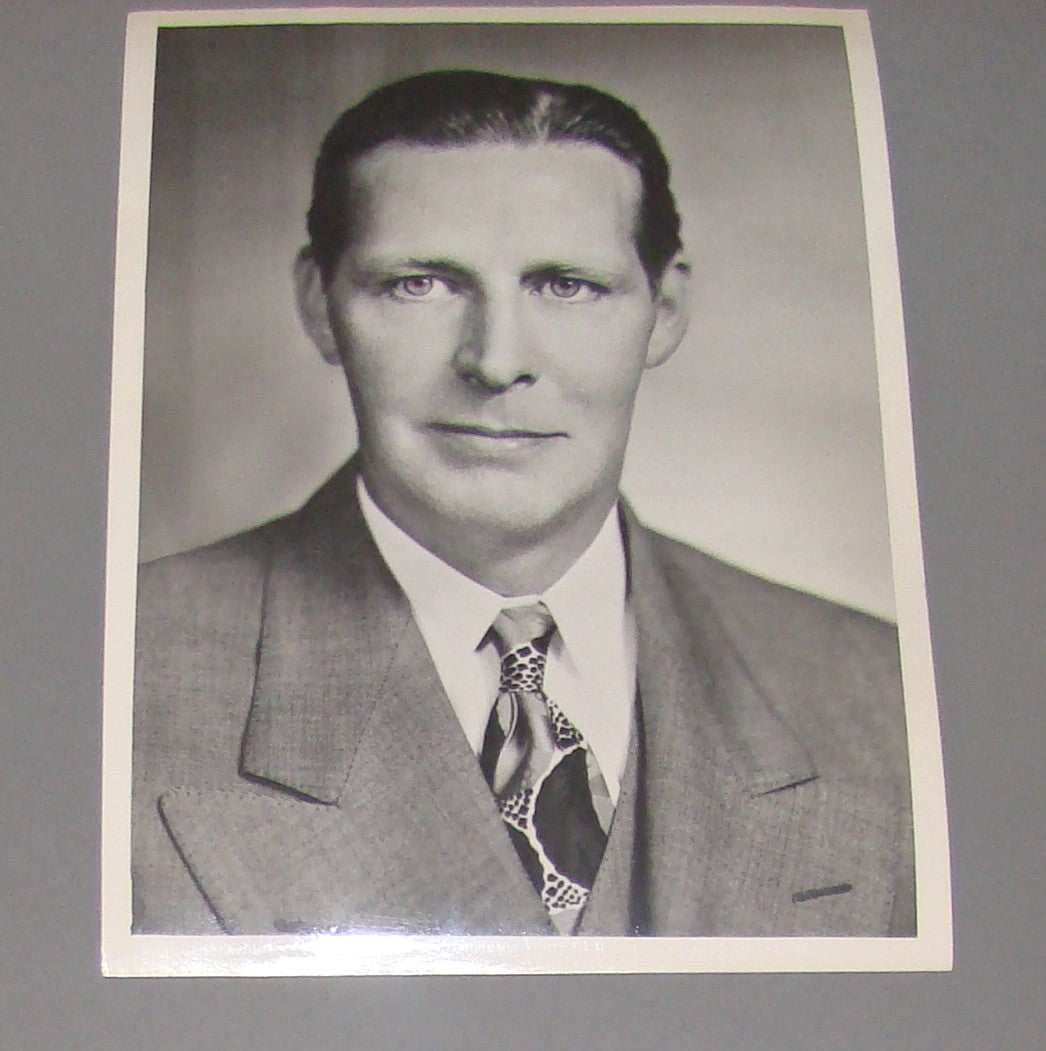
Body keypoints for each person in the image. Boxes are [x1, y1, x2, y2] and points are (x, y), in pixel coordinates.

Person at [132, 69, 915, 938]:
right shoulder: (115, 677)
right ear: (321, 306)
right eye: (419, 284)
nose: (497, 361)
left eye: (566, 284)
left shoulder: (885, 698)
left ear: (665, 311)